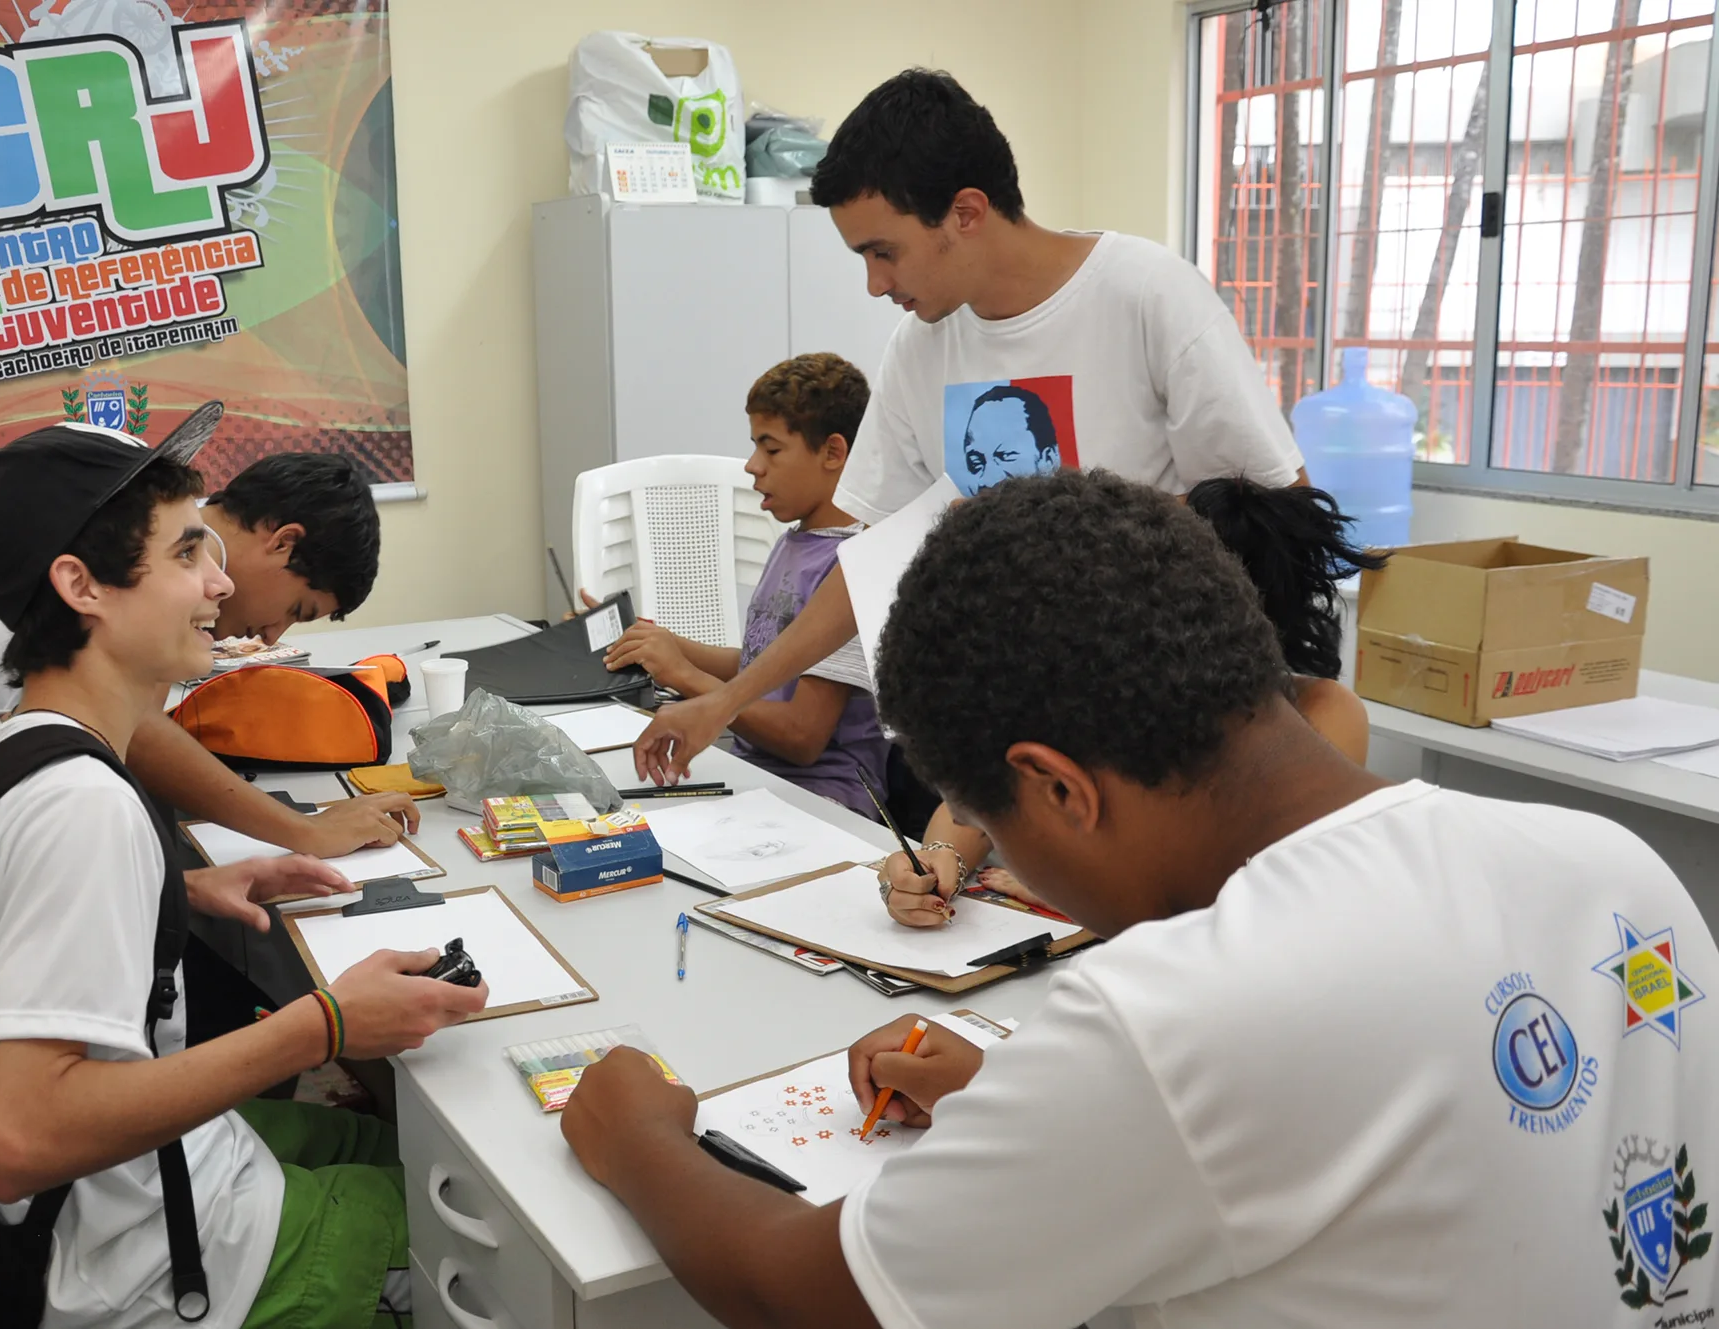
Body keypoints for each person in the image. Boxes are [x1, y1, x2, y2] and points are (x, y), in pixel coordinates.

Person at [559, 471, 1719, 1328]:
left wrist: (637, 1137)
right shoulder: (1612, 865)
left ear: (1056, 789)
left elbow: (800, 1297)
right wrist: (1033, 1098)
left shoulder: (1166, 1017)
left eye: (989, 824)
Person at [0, 423, 488, 1327]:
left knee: (386, 1140)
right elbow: (20, 1138)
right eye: (186, 552)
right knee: (480, 1223)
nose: (220, 581)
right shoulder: (81, 808)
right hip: (133, 1256)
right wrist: (324, 1025)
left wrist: (174, 892)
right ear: (80, 585)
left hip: (114, 1196)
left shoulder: (6, 744)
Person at [630, 68, 1305, 787]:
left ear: (968, 213)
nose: (875, 284)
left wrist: (1048, 531)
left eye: (883, 251)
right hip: (1005, 744)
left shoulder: (1145, 295)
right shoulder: (920, 349)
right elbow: (862, 565)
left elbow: (1275, 516)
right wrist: (725, 701)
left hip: (1152, 735)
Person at [0, 413, 411, 858]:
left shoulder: (125, 525)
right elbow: (140, 732)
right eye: (186, 553)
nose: (269, 632)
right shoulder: (88, 801)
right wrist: (301, 831)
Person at [882, 474, 1386, 926]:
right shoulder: (1131, 696)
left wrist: (1062, 891)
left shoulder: (1310, 715)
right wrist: (940, 854)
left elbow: (1244, 897)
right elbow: (984, 790)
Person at [593, 353, 889, 817]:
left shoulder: (852, 570)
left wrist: (686, 678)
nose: (752, 465)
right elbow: (762, 667)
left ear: (833, 453)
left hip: (826, 799)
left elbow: (802, 737)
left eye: (771, 449)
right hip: (758, 774)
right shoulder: (796, 542)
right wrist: (671, 646)